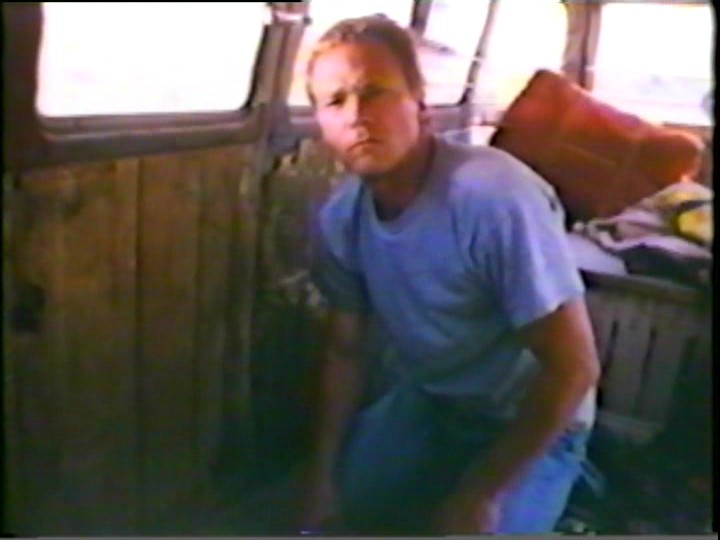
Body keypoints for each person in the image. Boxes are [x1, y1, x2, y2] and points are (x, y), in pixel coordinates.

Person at [299, 15, 600, 535]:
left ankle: (572, 473)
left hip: (530, 413)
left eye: (374, 93)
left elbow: (574, 367)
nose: (356, 116)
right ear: (321, 123)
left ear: (419, 104)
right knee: (353, 502)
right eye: (335, 101)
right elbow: (345, 351)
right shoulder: (341, 219)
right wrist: (321, 475)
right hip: (434, 400)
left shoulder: (492, 197)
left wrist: (481, 493)